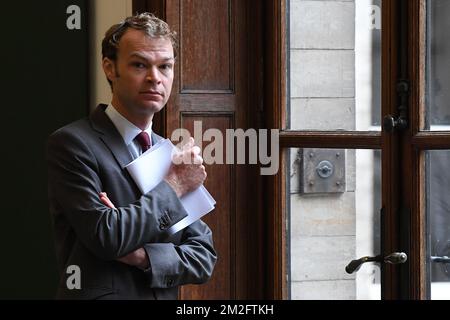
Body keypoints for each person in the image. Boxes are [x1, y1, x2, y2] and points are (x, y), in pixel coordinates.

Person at [46, 13, 217, 300]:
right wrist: (174, 187)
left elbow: (204, 257)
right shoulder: (71, 144)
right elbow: (108, 236)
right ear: (110, 68)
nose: (155, 78)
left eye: (165, 66)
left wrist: (143, 257)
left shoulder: (169, 154)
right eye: (140, 65)